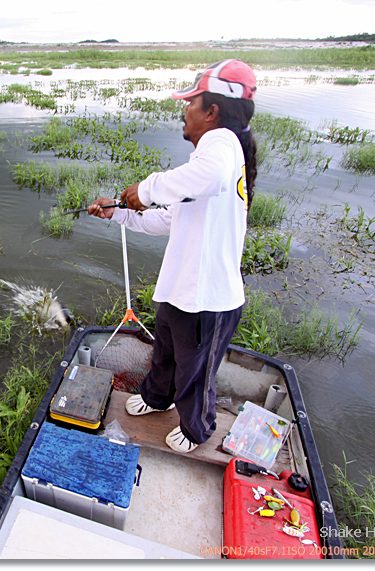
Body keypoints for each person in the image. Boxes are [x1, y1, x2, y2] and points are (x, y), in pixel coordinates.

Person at [88, 59, 258, 454]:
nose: (184, 110)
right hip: (181, 290)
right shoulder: (208, 160)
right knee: (164, 352)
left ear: (212, 112)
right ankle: (157, 397)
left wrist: (145, 189)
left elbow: (204, 179)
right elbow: (168, 221)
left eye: (191, 102)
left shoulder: (223, 145)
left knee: (196, 373)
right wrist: (120, 212)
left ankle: (197, 430)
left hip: (208, 299)